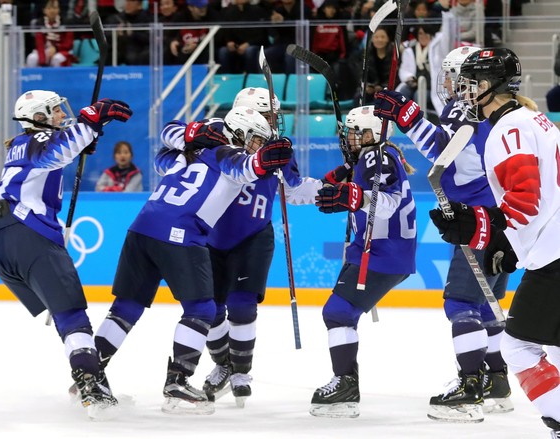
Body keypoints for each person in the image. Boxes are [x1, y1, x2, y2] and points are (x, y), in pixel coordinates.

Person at [88, 107, 293, 415]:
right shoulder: (228, 156)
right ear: (238, 134)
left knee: (125, 308)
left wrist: (188, 136)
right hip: (181, 233)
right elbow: (248, 168)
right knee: (203, 308)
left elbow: (162, 151)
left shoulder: (186, 154)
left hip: (141, 228)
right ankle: (178, 383)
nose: (258, 146)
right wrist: (268, 159)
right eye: (255, 140)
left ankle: (88, 376)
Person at [374, 45, 513, 423]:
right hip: (501, 221)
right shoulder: (499, 110)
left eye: (455, 77)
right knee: (486, 305)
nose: (450, 85)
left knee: (461, 304)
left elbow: (441, 152)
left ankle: (470, 387)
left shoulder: (466, 108)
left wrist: (407, 116)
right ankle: (497, 381)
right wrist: (409, 116)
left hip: (476, 221)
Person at [428, 47, 560, 436]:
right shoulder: (535, 119)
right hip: (553, 247)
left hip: (554, 257)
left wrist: (482, 229)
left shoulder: (508, 129)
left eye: (469, 85)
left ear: (487, 87)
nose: (463, 93)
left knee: (518, 348)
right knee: (553, 348)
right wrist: (493, 234)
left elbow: (525, 197)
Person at [0, 89, 132, 420]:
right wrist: (89, 122)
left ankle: (93, 380)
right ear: (37, 117)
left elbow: (55, 155)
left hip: (6, 244)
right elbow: (54, 154)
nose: (59, 115)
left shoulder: (22, 144)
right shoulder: (38, 138)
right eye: (54, 111)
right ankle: (90, 387)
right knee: (72, 315)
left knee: (67, 316)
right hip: (31, 236)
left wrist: (85, 136)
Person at [201, 88, 327, 407]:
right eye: (269, 117)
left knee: (242, 305)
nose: (275, 123)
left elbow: (294, 188)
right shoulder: (215, 140)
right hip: (210, 236)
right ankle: (223, 366)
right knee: (208, 309)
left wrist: (331, 191)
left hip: (254, 236)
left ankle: (241, 372)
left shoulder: (276, 148)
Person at [310, 105, 417, 418]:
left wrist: (353, 196)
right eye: (352, 132)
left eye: (360, 132)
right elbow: (330, 187)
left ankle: (345, 384)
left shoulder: (376, 156)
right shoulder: (372, 156)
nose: (354, 138)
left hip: (383, 252)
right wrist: (345, 184)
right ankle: (347, 381)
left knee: (338, 311)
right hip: (383, 251)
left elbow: (388, 204)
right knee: (341, 312)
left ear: (376, 133)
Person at [25, 0, 75, 67]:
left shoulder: (66, 23)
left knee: (56, 59)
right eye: (49, 8)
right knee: (32, 58)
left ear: (58, 9)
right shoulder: (39, 23)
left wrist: (56, 49)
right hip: (43, 50)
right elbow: (39, 43)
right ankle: (35, 76)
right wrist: (43, 60)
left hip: (61, 51)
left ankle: (57, 77)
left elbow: (68, 44)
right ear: (44, 10)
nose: (52, 11)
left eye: (54, 8)